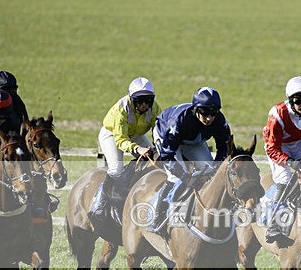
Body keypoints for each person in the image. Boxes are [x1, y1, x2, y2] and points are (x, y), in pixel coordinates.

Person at [149, 87, 231, 234]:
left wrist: (216, 168)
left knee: (210, 172)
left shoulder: (220, 121)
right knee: (175, 178)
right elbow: (167, 156)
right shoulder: (178, 121)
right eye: (204, 112)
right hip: (167, 136)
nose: (209, 118)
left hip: (193, 140)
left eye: (213, 113)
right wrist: (185, 176)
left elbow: (224, 148)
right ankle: (158, 217)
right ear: (195, 110)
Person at [262, 76, 301, 245]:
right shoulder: (277, 114)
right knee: (285, 178)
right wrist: (289, 161)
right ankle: (274, 223)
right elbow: (272, 148)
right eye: (299, 101)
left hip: (299, 142)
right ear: (291, 100)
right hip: (278, 146)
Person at [89, 77, 160, 226]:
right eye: (139, 101)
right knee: (116, 169)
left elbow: (159, 129)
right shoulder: (121, 109)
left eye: (147, 101)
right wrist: (137, 148)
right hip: (112, 135)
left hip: (136, 134)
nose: (144, 105)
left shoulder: (154, 108)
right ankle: (99, 201)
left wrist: (158, 145)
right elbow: (121, 140)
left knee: (154, 160)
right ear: (132, 99)